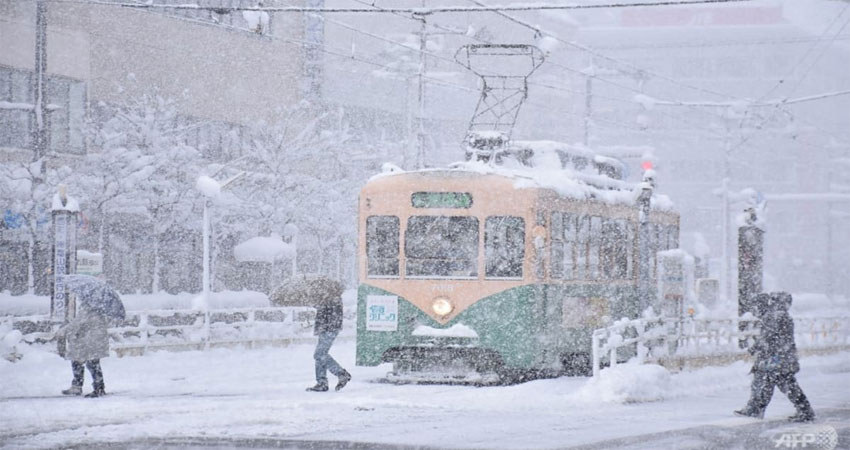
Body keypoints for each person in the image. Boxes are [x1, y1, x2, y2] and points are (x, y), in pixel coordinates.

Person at [735, 292, 815, 422]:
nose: (755, 310)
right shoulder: (781, 315)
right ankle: (805, 410)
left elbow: (767, 337)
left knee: (768, 382)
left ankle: (755, 409)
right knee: (779, 384)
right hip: (782, 357)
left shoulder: (774, 316)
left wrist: (754, 348)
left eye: (756, 306)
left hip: (775, 358)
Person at [56, 303, 110, 397]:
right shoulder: (102, 310)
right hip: (96, 342)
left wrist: (63, 330)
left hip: (88, 342)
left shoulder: (88, 309)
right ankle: (98, 387)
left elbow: (77, 324)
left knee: (84, 363)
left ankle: (86, 387)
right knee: (91, 364)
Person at [306, 279, 351, 392]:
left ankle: (340, 373)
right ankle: (321, 382)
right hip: (325, 329)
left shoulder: (333, 298)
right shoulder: (329, 298)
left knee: (319, 354)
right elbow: (324, 310)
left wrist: (319, 304)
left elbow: (329, 313)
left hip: (329, 329)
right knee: (321, 355)